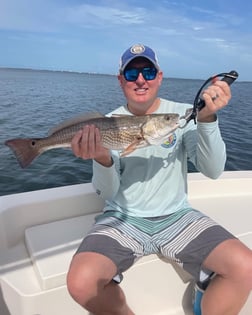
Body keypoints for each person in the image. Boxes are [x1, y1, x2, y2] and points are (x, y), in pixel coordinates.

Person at [67, 44, 252, 315]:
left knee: (245, 266)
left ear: (160, 76)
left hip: (177, 215)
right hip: (123, 218)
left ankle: (203, 295)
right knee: (81, 283)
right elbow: (107, 192)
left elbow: (213, 170)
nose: (141, 79)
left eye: (148, 72)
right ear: (120, 80)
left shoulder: (180, 116)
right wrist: (102, 159)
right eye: (131, 74)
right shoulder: (106, 123)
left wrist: (208, 119)